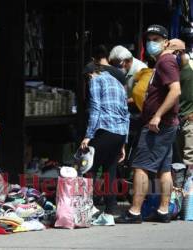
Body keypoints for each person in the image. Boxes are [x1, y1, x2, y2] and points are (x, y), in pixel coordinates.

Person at [116, 25, 182, 224]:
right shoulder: (162, 61)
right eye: (149, 39)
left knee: (140, 167)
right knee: (163, 169)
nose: (151, 43)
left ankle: (134, 212)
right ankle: (163, 211)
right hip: (164, 124)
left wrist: (157, 116)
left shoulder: (166, 61)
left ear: (165, 41)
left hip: (157, 125)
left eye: (156, 39)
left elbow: (175, 91)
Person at [81, 62, 129, 225]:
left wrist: (88, 135)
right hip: (120, 133)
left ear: (90, 75)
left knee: (88, 168)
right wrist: (124, 142)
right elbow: (126, 113)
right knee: (110, 170)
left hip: (104, 129)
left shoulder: (95, 80)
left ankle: (88, 207)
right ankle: (109, 212)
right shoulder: (118, 84)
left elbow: (95, 108)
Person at [175, 39, 193, 177]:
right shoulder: (180, 72)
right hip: (181, 119)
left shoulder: (189, 71)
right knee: (184, 158)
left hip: (188, 119)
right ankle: (186, 192)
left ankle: (189, 193)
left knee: (188, 158)